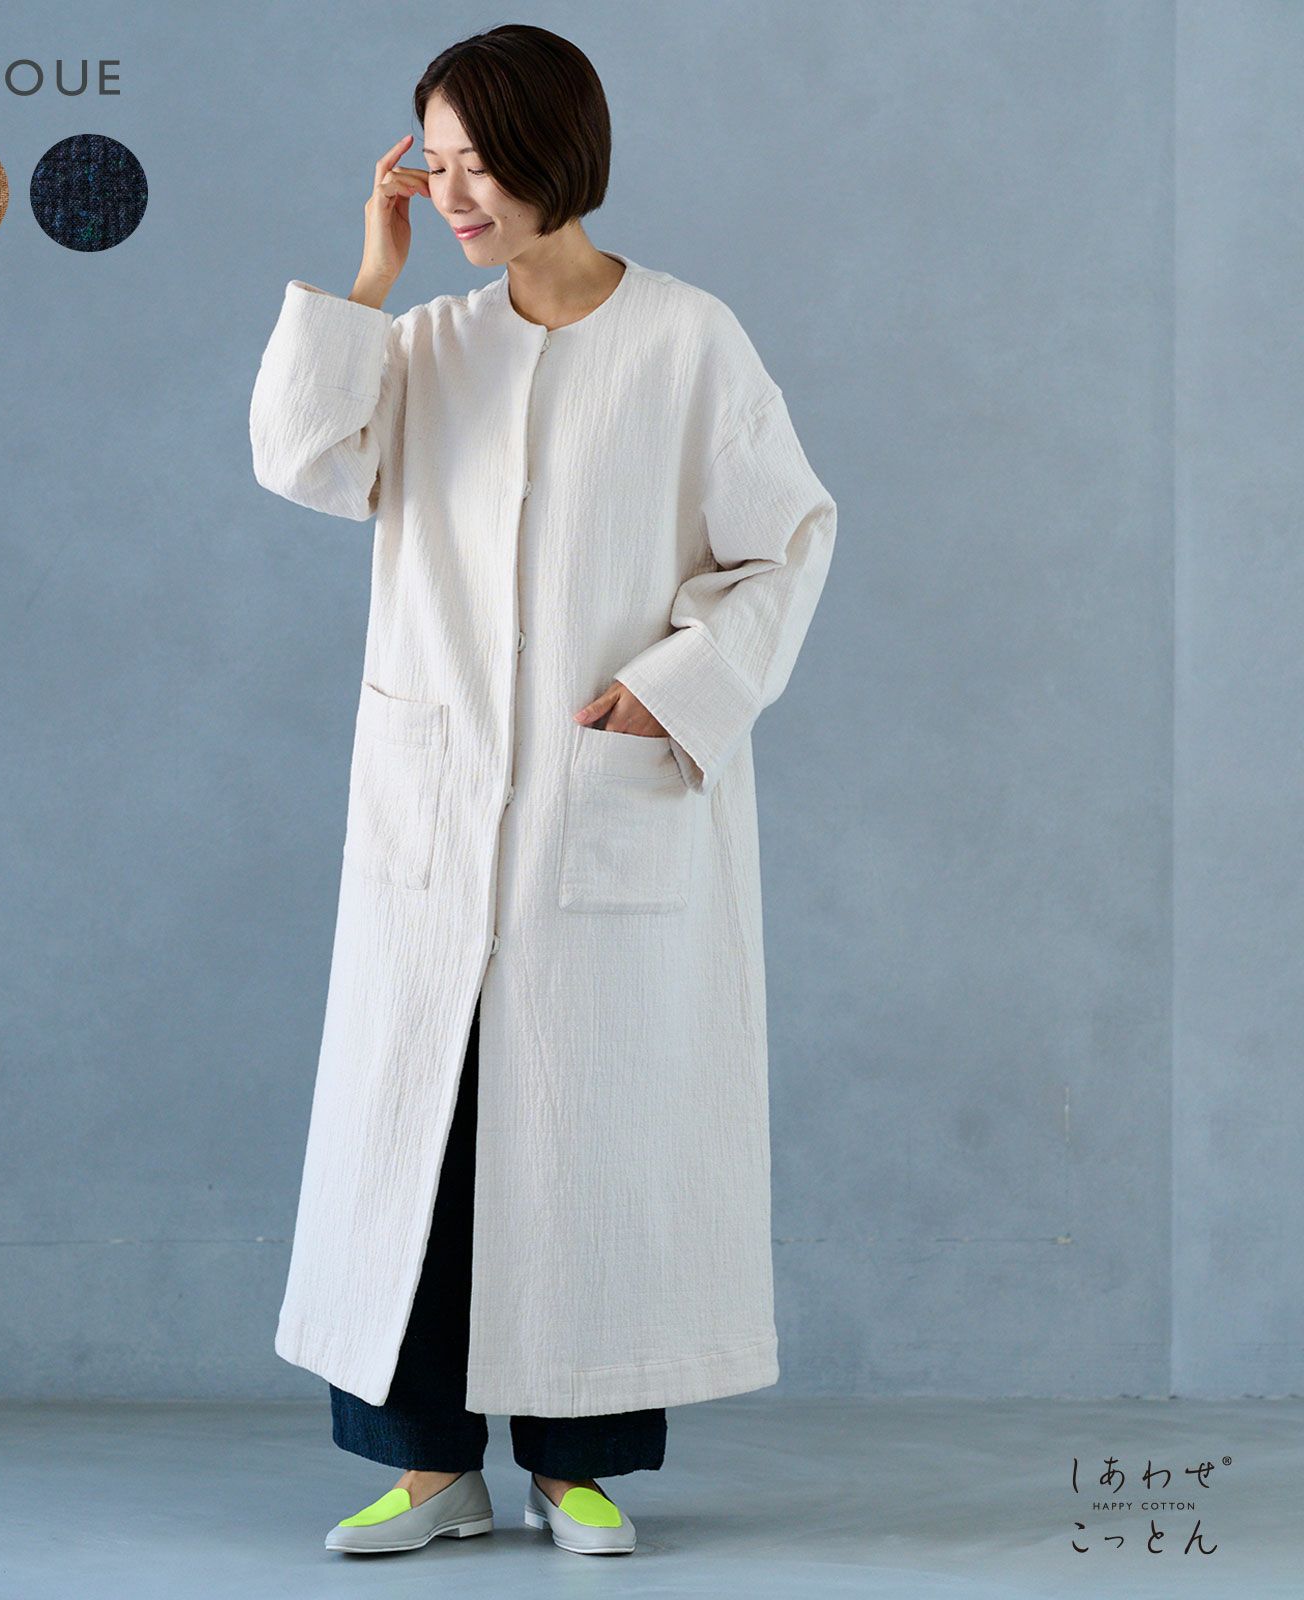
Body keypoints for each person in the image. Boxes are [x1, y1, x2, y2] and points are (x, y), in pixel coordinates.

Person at [250, 24, 837, 1558]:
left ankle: (578, 1467)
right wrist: (366, 282)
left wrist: (678, 683)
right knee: (426, 1141)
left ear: (555, 155)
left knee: (588, 1136)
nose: (455, 195)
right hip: (438, 813)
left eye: (480, 165)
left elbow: (786, 544)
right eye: (434, 165)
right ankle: (428, 1471)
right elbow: (301, 461)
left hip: (603, 805)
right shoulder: (426, 347)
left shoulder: (689, 341)